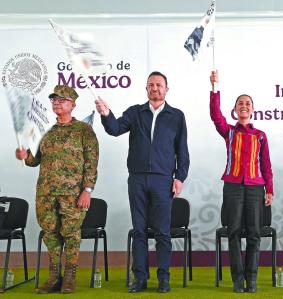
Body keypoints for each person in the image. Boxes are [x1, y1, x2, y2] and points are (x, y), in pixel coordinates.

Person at [95, 71, 189, 293]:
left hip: (163, 179)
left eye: (159, 85)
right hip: (137, 178)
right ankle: (140, 278)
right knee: (139, 231)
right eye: (151, 85)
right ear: (146, 89)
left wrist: (179, 177)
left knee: (163, 232)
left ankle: (163, 278)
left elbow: (182, 150)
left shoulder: (176, 116)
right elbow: (115, 129)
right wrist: (106, 114)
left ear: (167, 89)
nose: (155, 88)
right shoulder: (135, 112)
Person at [15, 85, 99, 294]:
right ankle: (54, 276)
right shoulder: (46, 132)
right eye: (54, 100)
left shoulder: (83, 130)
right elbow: (36, 161)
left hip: (72, 194)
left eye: (62, 100)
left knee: (71, 234)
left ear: (73, 104)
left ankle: (69, 276)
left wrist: (87, 190)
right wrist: (25, 157)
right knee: (50, 233)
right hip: (46, 193)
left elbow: (91, 162)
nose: (56, 103)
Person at [209, 70, 273, 293]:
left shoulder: (261, 135)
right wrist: (215, 88)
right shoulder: (228, 132)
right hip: (233, 187)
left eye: (247, 103)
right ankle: (237, 279)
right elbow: (215, 115)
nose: (244, 106)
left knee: (254, 233)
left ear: (252, 110)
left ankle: (252, 279)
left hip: (256, 188)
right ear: (235, 110)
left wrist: (270, 190)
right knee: (234, 232)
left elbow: (266, 166)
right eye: (240, 104)